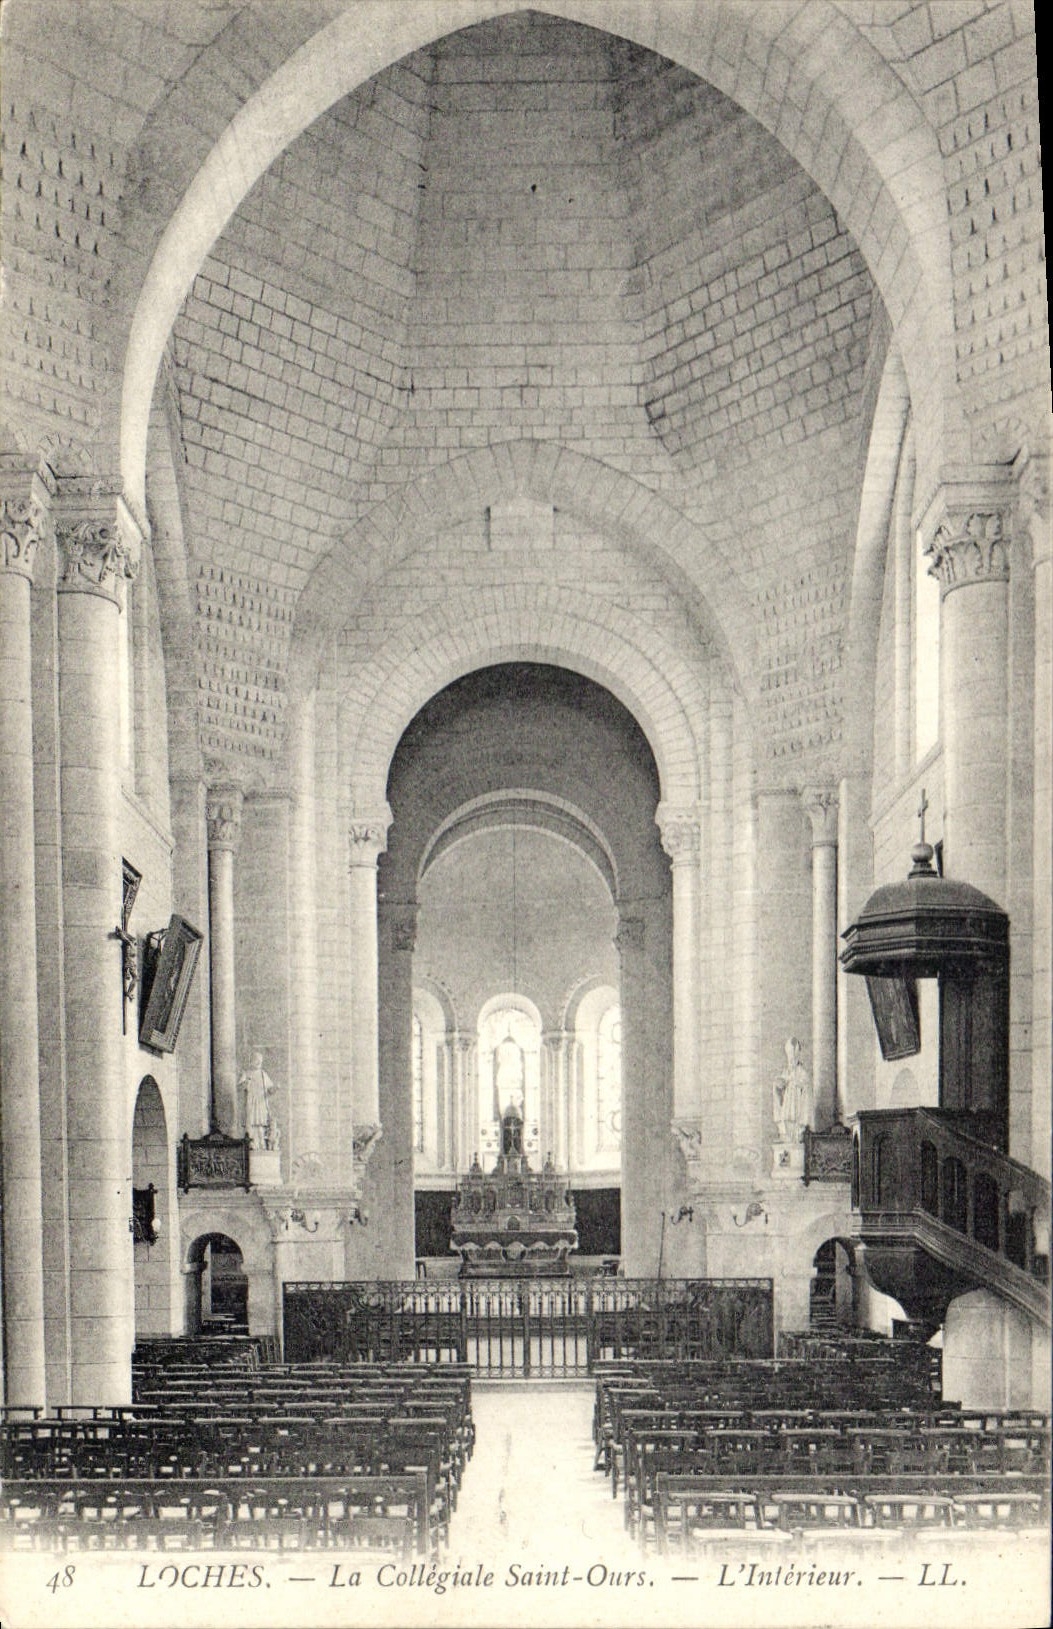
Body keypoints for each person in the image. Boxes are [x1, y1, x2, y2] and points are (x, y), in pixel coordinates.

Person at [773, 1036, 814, 1143]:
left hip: (797, 1103)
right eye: (789, 1057)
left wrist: (794, 1082)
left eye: (792, 1056)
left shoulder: (802, 1072)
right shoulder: (786, 1071)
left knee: (796, 1124)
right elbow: (781, 1085)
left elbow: (806, 1087)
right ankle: (786, 1135)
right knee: (786, 1120)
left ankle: (796, 1134)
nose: (791, 1060)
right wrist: (779, 1085)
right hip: (788, 1102)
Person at [240, 1051, 275, 1150]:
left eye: (260, 1061)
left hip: (261, 1102)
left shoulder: (263, 1074)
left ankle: (261, 1144)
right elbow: (240, 1087)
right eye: (257, 1060)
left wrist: (275, 1088)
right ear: (252, 1060)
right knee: (250, 1123)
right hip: (251, 1102)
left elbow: (270, 1089)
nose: (259, 1062)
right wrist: (246, 1083)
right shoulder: (246, 1073)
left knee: (260, 1124)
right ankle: (251, 1143)